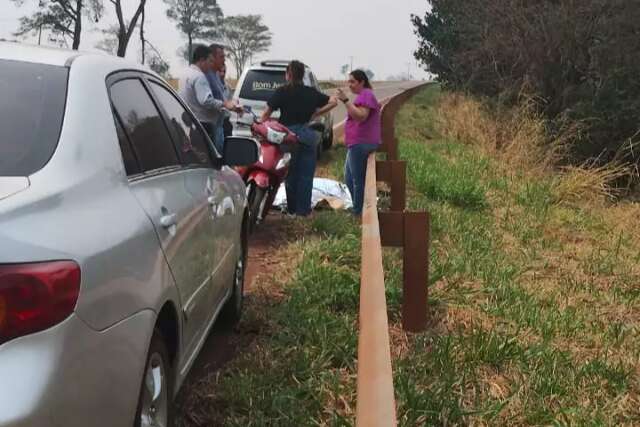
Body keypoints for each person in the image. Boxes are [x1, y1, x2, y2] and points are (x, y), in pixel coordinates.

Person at [261, 60, 338, 217]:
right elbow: (333, 101)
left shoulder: (282, 91)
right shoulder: (310, 92)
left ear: (288, 74)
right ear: (302, 75)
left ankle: (292, 210)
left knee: (290, 175)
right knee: (306, 176)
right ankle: (303, 212)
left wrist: (262, 127)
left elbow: (266, 113)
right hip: (307, 135)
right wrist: (316, 113)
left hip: (287, 136)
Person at [179, 45, 240, 155]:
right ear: (202, 60)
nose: (211, 64)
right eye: (210, 61)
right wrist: (225, 104)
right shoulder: (199, 76)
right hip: (203, 126)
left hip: (190, 123)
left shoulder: (185, 73)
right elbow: (206, 101)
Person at [336, 70, 381, 216]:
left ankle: (358, 212)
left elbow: (361, 116)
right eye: (348, 81)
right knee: (349, 177)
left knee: (357, 180)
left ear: (362, 82)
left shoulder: (366, 95)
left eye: (353, 82)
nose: (350, 85)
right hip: (357, 142)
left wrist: (345, 101)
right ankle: (358, 206)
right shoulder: (364, 95)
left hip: (361, 143)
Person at [205, 44, 237, 150]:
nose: (224, 60)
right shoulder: (207, 76)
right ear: (212, 58)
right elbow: (207, 101)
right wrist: (226, 104)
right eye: (221, 57)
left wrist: (233, 106)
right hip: (211, 127)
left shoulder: (215, 76)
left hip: (220, 126)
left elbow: (223, 99)